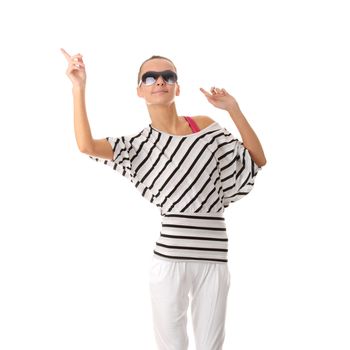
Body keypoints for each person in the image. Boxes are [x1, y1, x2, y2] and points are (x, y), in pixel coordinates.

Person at [61, 48, 267, 350]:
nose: (160, 80)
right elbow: (86, 145)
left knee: (211, 346)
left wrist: (233, 109)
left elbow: (256, 159)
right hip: (169, 261)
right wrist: (79, 87)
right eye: (151, 77)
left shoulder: (206, 127)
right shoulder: (138, 146)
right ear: (140, 90)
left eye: (168, 76)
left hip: (214, 258)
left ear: (177, 87)